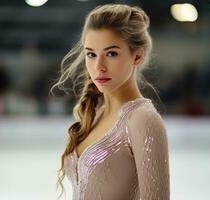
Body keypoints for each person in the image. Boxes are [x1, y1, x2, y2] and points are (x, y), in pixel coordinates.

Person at [50, 4, 170, 200]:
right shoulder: (95, 113)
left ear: (137, 56)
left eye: (111, 53)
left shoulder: (142, 120)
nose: (99, 66)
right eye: (91, 54)